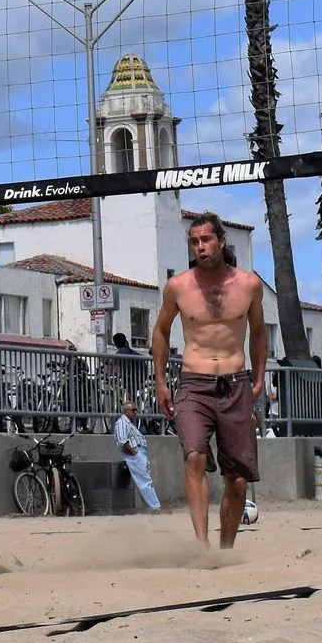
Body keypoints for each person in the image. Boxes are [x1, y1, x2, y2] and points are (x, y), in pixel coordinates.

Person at [150, 215, 266, 549]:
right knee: (194, 458)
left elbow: (258, 332)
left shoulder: (248, 284)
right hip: (192, 383)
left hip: (235, 383)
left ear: (221, 240)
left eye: (206, 240)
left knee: (238, 479)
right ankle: (202, 547)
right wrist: (160, 381)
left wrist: (258, 378)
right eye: (194, 242)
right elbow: (160, 330)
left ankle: (225, 550)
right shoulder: (179, 286)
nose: (200, 247)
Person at [112, 396, 160, 512]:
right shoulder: (122, 422)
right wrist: (134, 453)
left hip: (138, 453)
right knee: (144, 482)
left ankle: (153, 506)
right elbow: (122, 441)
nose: (135, 413)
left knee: (146, 480)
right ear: (125, 411)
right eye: (133, 410)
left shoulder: (129, 423)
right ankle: (154, 507)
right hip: (134, 454)